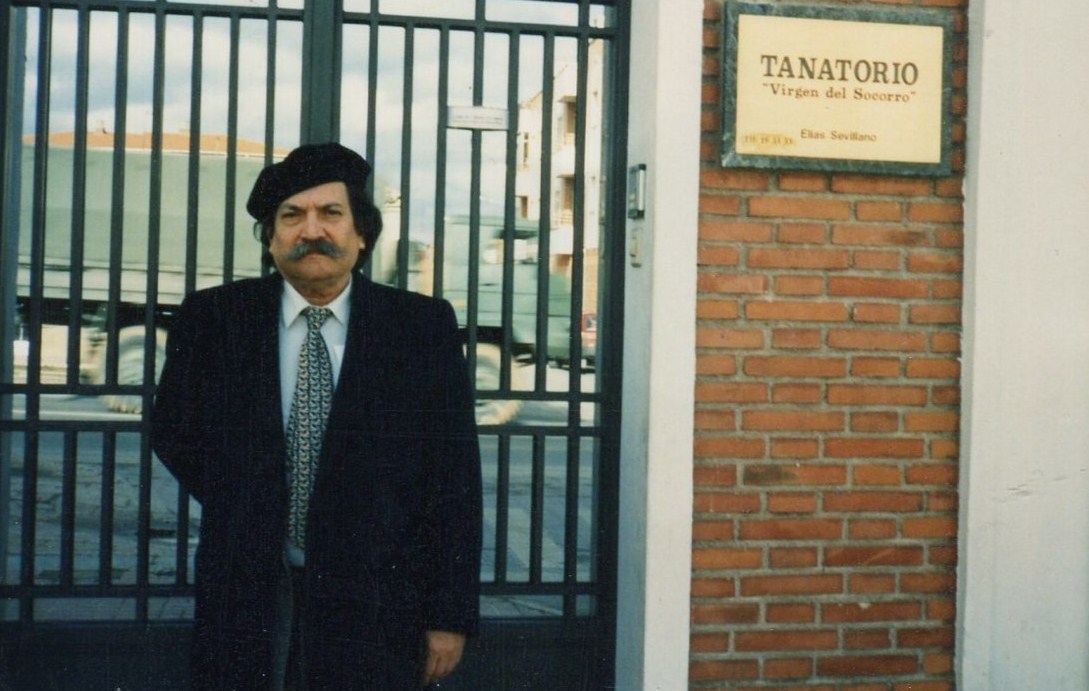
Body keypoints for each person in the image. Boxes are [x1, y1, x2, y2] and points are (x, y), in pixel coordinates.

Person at [151, 142, 482, 691]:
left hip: (378, 599)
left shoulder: (419, 328)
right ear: (271, 238)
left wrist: (448, 615)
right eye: (292, 216)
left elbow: (454, 478)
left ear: (362, 234)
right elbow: (175, 431)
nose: (312, 231)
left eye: (331, 213)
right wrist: (252, 500)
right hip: (250, 590)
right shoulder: (214, 318)